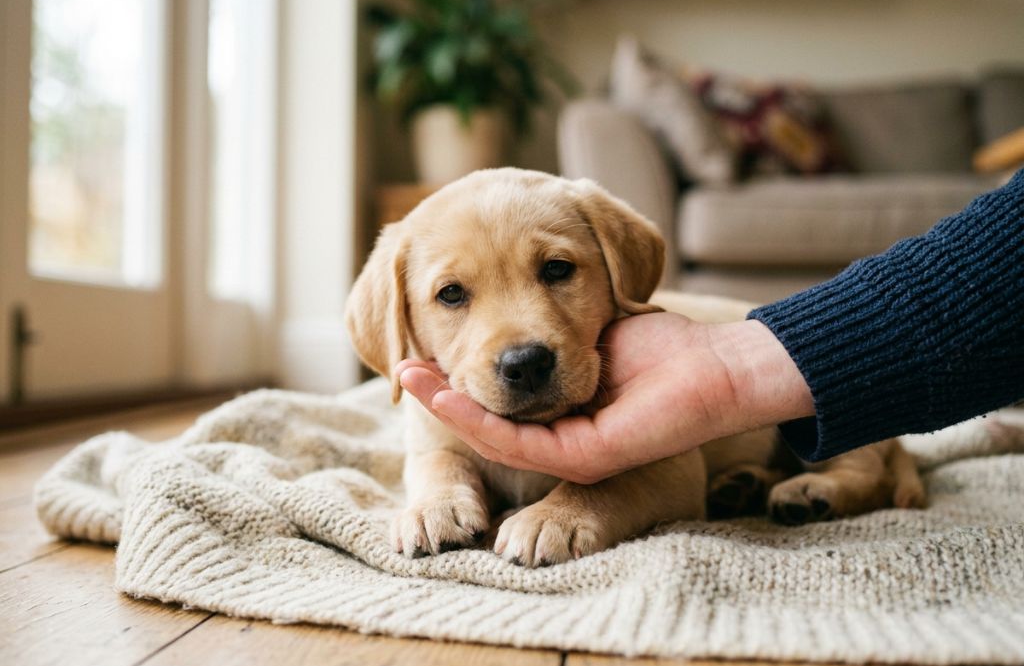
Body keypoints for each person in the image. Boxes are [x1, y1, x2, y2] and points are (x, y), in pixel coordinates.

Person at [396, 169, 1024, 485]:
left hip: (790, 416)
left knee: (829, 422)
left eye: (558, 269)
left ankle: (859, 475)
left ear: (618, 269)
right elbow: (430, 456)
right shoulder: (438, 395)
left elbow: (668, 480)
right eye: (452, 294)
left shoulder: (636, 365)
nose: (521, 345)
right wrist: (441, 486)